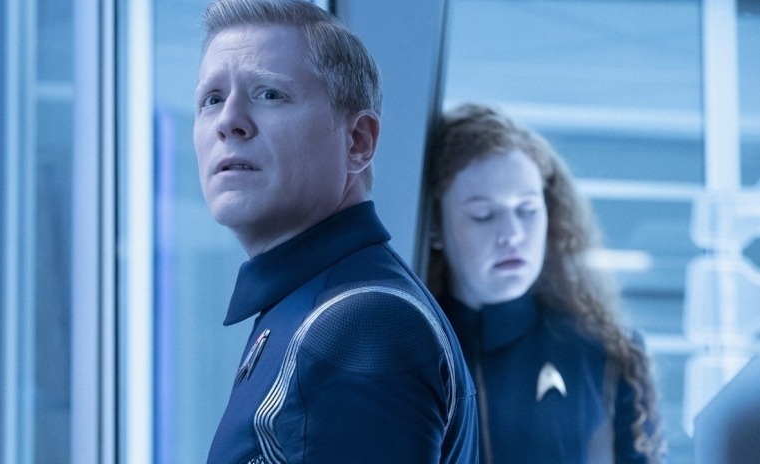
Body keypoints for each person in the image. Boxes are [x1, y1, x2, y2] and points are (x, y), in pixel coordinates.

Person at [193, 1, 480, 462]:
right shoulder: (312, 305)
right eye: (212, 99)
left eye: (269, 94)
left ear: (358, 141)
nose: (228, 121)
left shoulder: (357, 323)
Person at [425, 103, 665, 463]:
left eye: (527, 210)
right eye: (483, 215)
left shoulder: (607, 353)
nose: (512, 234)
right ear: (434, 225)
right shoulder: (403, 353)